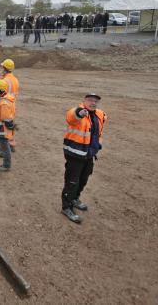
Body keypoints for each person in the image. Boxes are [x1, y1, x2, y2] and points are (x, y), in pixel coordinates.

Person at [61, 93, 108, 224]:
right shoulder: (78, 111)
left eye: (95, 101)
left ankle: (75, 198)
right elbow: (72, 116)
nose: (93, 103)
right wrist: (80, 113)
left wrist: (98, 145)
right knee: (72, 182)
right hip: (75, 154)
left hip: (89, 154)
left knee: (83, 179)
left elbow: (99, 132)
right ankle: (66, 207)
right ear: (84, 101)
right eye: (90, 100)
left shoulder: (99, 114)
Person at [0, 58, 19, 151]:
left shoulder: (5, 80)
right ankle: (11, 143)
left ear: (5, 68)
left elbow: (0, 91)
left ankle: (6, 147)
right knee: (10, 124)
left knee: (5, 125)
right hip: (12, 104)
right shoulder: (15, 79)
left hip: (5, 104)